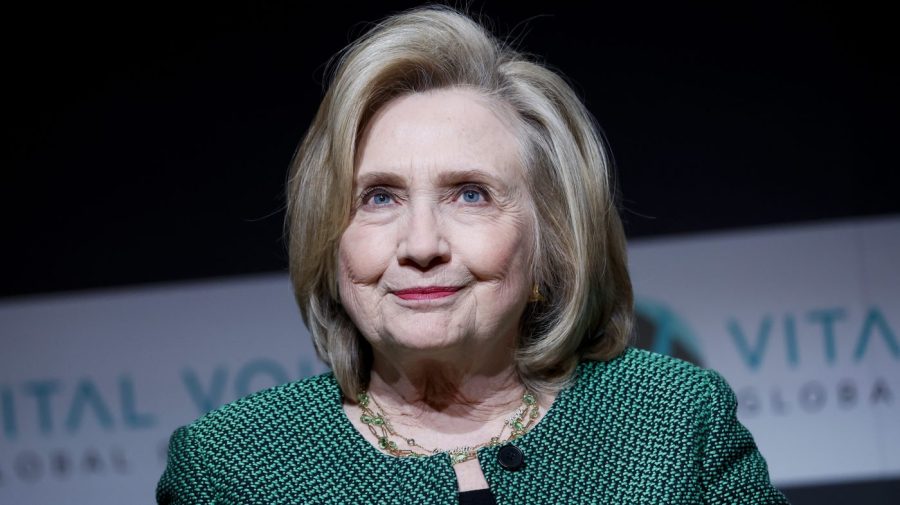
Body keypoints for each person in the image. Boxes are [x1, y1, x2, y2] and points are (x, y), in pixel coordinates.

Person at [157, 6, 788, 504]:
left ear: (552, 238)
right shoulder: (230, 467)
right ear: (329, 238)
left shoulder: (673, 420)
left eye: (470, 194)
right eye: (378, 197)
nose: (422, 245)